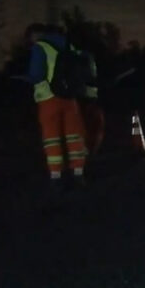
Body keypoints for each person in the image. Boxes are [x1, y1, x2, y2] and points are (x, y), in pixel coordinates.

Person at [26, 23, 89, 192]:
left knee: (52, 138)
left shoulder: (40, 47)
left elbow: (36, 74)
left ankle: (56, 177)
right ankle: (78, 173)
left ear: (37, 34)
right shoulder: (70, 45)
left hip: (48, 98)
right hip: (70, 98)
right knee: (74, 136)